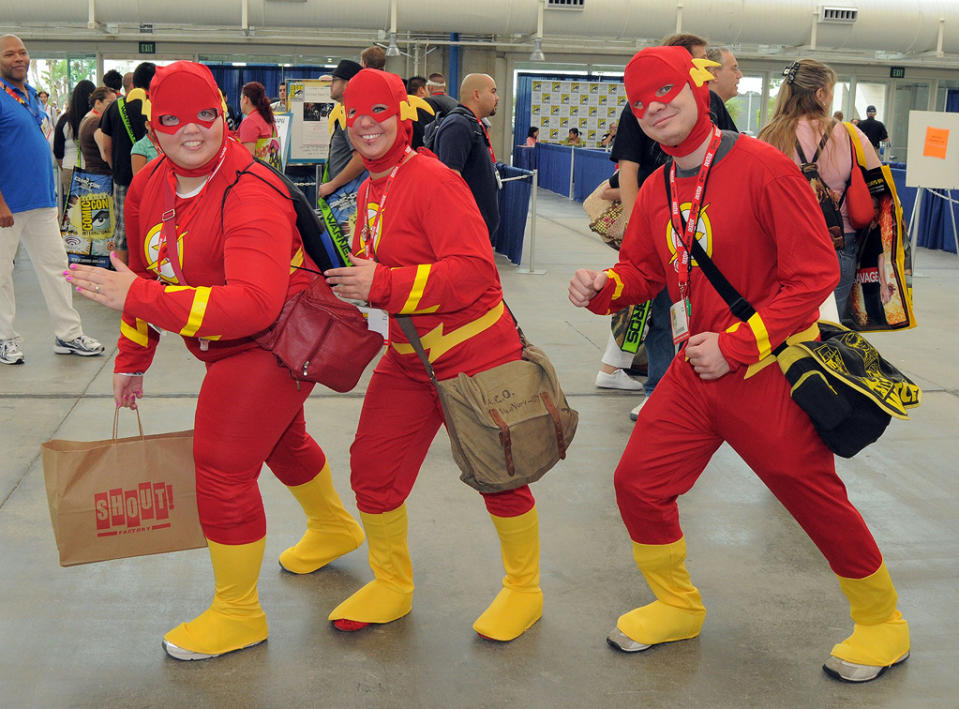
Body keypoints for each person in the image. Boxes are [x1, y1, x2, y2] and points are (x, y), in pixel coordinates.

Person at [569, 45, 909, 684]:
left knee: (810, 496)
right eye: (639, 103)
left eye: (665, 93)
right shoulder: (662, 185)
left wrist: (738, 346)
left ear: (698, 90)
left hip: (766, 369)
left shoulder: (762, 167)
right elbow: (643, 271)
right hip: (696, 373)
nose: (654, 109)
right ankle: (676, 603)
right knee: (638, 481)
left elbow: (811, 277)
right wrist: (603, 287)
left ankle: (882, 621)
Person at [63, 60, 365, 661]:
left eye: (204, 116)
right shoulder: (150, 184)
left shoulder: (251, 189)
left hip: (277, 339)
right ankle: (334, 526)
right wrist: (131, 357)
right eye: (171, 120)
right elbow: (140, 275)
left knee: (222, 463)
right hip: (215, 339)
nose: (190, 131)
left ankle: (239, 612)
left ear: (223, 116)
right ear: (154, 125)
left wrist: (140, 302)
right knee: (281, 439)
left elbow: (251, 305)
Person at [323, 69, 544, 642]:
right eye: (355, 113)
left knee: (500, 474)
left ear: (403, 115)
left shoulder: (434, 180)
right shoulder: (372, 185)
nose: (366, 122)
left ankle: (524, 589)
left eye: (378, 111)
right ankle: (392, 584)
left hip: (476, 356)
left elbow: (473, 273)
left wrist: (385, 285)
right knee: (372, 470)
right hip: (407, 358)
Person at [605, 33, 720, 418]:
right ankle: (660, 387)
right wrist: (641, 225)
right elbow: (628, 168)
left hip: (710, 228)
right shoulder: (636, 114)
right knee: (662, 313)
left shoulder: (714, 106)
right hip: (666, 226)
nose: (655, 107)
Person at [0, 34, 103, 364]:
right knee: (1, 275)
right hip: (7, 205)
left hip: (41, 201)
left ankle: (68, 334)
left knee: (58, 269)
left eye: (23, 52)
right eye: (9, 54)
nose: (19, 58)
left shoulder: (29, 96)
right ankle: (4, 339)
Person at [758, 59, 884, 320]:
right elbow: (878, 184)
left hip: (783, 243)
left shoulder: (769, 136)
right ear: (819, 94)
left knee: (783, 326)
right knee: (830, 326)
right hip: (838, 240)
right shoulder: (849, 134)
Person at [97, 61, 156, 264]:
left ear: (133, 84)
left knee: (123, 229)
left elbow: (106, 147)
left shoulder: (115, 106)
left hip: (123, 178)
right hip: (156, 179)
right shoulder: (157, 105)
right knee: (154, 225)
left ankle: (123, 277)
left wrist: (117, 169)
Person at [433, 73, 500, 237]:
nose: (497, 98)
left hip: (475, 232)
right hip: (465, 233)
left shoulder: (472, 124)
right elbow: (450, 181)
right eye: (493, 92)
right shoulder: (458, 125)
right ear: (476, 95)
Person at [318, 59, 364, 201]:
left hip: (346, 197)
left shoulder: (352, 115)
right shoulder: (345, 112)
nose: (330, 85)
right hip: (344, 194)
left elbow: (361, 159)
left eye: (335, 80)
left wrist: (333, 185)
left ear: (348, 83)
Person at [52, 79, 95, 200]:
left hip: (69, 168)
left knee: (73, 213)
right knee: (92, 212)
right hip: (92, 170)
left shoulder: (64, 119)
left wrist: (66, 167)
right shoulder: (95, 119)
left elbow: (58, 151)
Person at [236, 81, 280, 168]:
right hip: (271, 172)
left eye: (241, 99)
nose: (240, 102)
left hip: (257, 174)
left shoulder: (250, 122)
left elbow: (248, 159)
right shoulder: (268, 118)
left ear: (246, 99)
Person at [77, 86, 114, 176]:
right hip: (101, 177)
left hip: (93, 175)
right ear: (98, 103)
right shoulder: (96, 122)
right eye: (110, 103)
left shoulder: (87, 118)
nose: (113, 107)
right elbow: (105, 154)